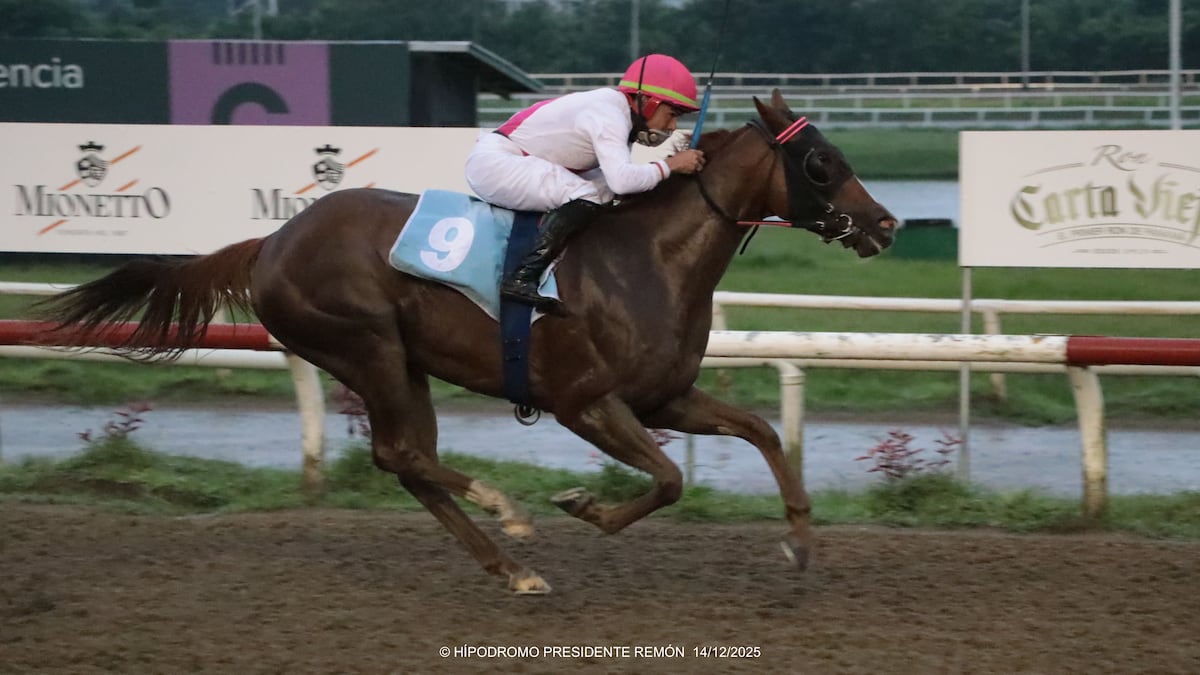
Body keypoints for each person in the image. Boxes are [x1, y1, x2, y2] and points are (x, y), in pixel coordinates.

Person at [465, 53, 709, 314]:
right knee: (586, 193)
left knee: (602, 191)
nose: (672, 126)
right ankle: (522, 277)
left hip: (511, 158)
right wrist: (671, 166)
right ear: (648, 102)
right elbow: (624, 182)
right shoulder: (609, 115)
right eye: (671, 114)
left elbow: (615, 186)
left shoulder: (620, 115)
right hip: (496, 163)